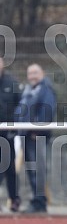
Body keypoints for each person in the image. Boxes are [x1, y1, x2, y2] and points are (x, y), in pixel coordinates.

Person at [15, 64, 56, 213]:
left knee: (38, 170)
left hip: (36, 137)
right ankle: (37, 201)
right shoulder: (28, 90)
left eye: (35, 73)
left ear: (42, 73)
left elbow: (47, 111)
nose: (32, 76)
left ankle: (39, 202)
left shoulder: (46, 90)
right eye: (30, 73)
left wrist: (36, 130)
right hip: (26, 135)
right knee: (32, 170)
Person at [0, 57, 21, 212]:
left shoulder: (11, 82)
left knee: (10, 168)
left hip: (7, 134)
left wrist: (15, 126)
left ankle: (14, 199)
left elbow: (21, 105)